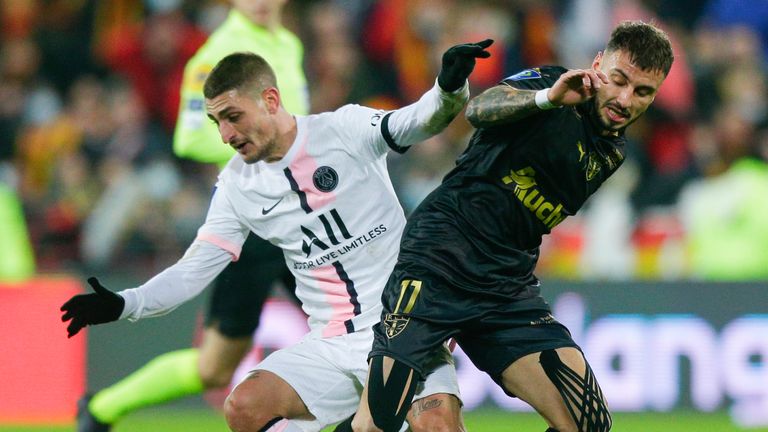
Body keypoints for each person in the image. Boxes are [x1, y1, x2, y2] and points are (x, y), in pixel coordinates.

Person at [62, 40, 493, 432]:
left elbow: (417, 122)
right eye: (217, 122)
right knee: (243, 407)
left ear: (270, 100)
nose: (226, 135)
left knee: (437, 428)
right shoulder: (236, 186)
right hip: (331, 343)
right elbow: (195, 268)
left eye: (233, 117)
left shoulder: (343, 129)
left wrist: (448, 87)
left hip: (405, 329)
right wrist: (126, 302)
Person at [336, 20, 674, 432]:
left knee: (589, 424)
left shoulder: (613, 151)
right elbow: (479, 110)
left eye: (643, 92)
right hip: (440, 260)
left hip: (504, 285)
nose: (625, 99)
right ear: (598, 63)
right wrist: (548, 99)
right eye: (618, 79)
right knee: (375, 423)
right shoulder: (553, 84)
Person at [74, 1, 308, 431]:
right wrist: (262, 142)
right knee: (215, 369)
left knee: (355, 331)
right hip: (255, 225)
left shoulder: (289, 44)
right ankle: (102, 407)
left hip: (306, 218)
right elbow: (189, 138)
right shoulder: (215, 54)